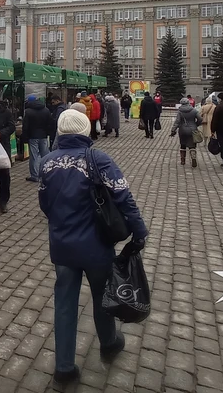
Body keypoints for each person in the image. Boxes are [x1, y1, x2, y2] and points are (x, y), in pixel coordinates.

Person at [38, 109, 148, 384]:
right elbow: (124, 198)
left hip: (62, 247)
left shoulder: (47, 163)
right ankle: (109, 342)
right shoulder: (98, 159)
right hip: (97, 246)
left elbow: (44, 204)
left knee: (64, 304)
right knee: (102, 296)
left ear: (61, 132)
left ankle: (64, 368)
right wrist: (139, 231)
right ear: (86, 130)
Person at [23, 95, 54, 183]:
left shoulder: (28, 111)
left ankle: (34, 175)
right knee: (45, 155)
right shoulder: (46, 110)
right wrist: (48, 133)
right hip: (43, 136)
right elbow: (50, 123)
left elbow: (25, 126)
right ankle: (47, 172)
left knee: (34, 156)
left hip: (32, 136)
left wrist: (25, 137)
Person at [170, 97, 203, 167]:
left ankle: (182, 160)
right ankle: (193, 156)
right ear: (188, 103)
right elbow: (200, 119)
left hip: (182, 130)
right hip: (193, 130)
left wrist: (173, 130)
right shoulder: (194, 110)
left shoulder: (180, 111)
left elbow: (177, 122)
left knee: (183, 144)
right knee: (192, 145)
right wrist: (196, 124)